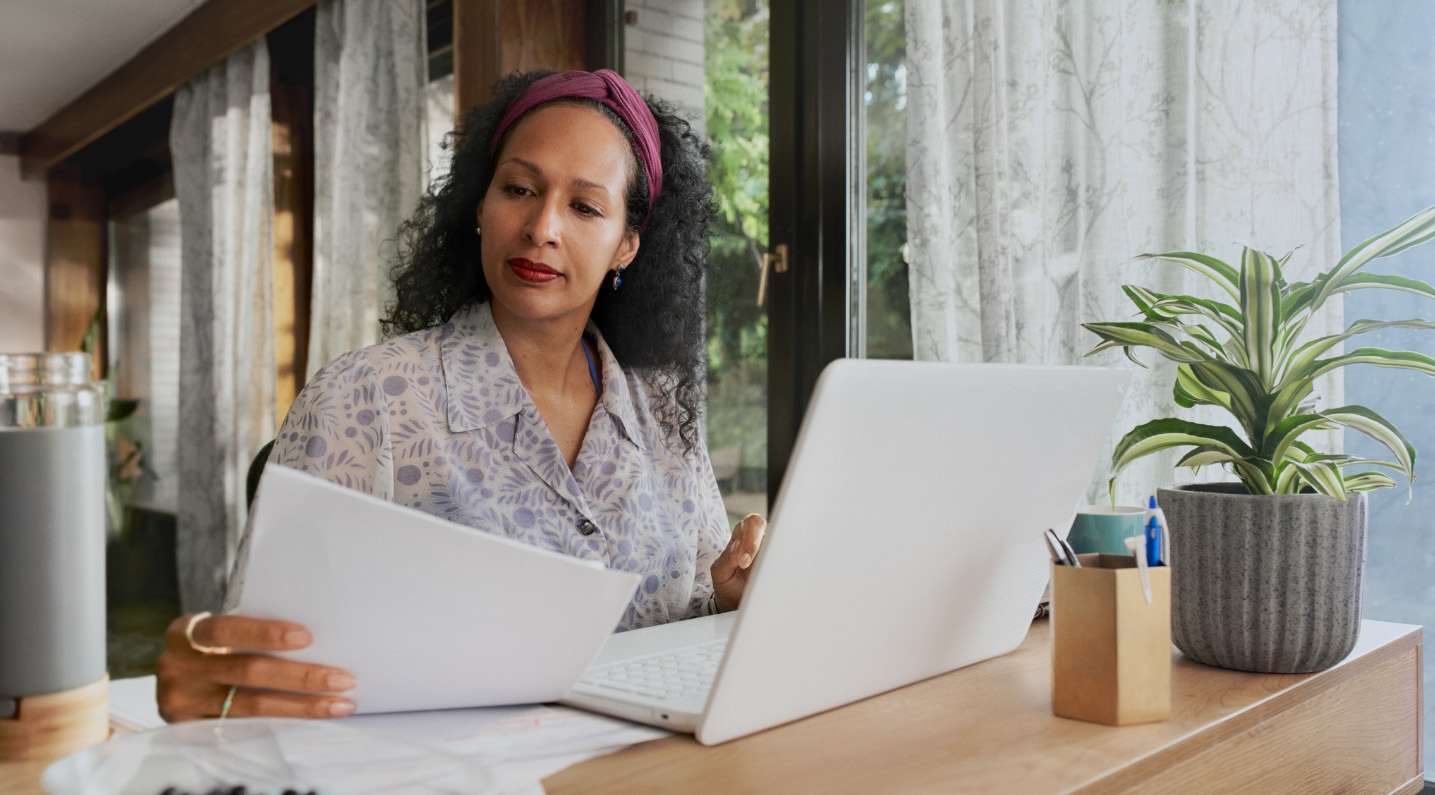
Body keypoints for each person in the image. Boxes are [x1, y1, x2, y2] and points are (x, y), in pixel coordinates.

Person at [156, 69, 767, 722]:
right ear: (480, 205)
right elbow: (261, 667)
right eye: (519, 189)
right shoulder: (366, 399)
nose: (541, 227)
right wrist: (211, 676)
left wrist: (731, 601)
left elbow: (683, 611)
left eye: (584, 206)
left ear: (626, 244)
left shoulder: (664, 413)